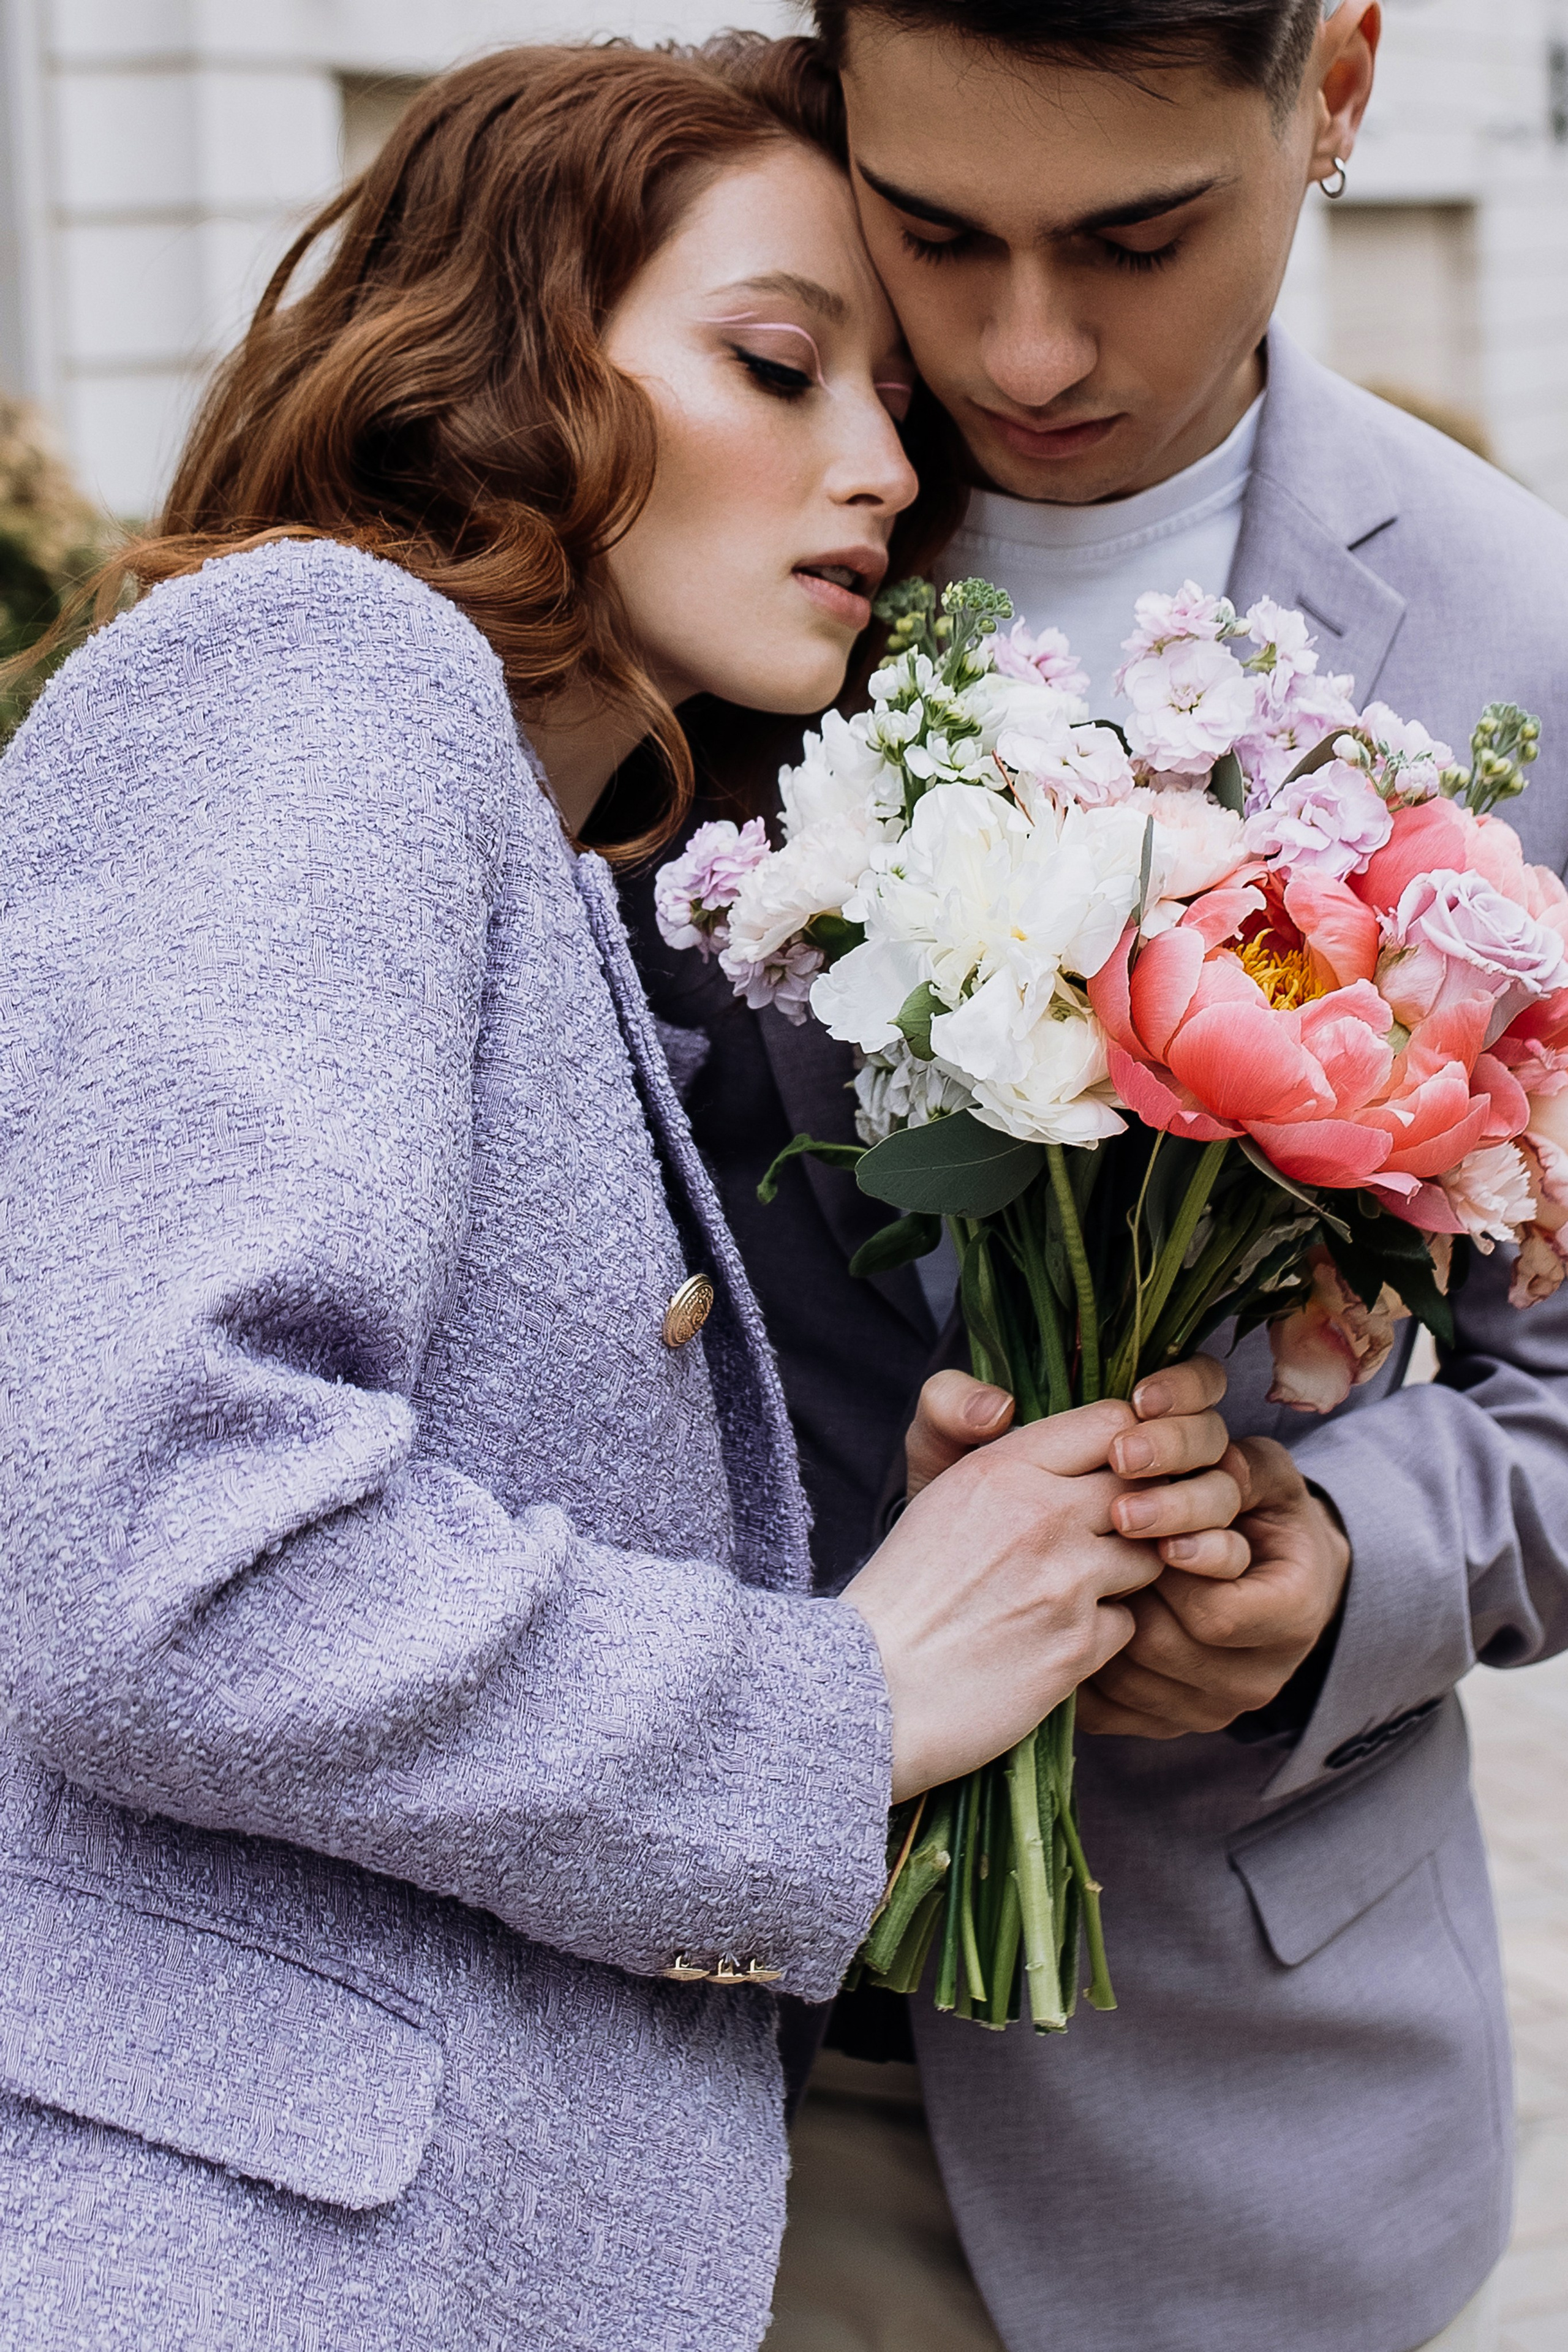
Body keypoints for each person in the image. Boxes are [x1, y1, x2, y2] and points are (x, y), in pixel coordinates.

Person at [0, 44, 1250, 2352]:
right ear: (501, 357)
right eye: (780, 362)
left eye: (900, 405)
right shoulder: (321, 666)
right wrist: (841, 1692)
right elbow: (167, 1543)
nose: (883, 468)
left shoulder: (552, 860)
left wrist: (935, 1548)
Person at [624, 9, 1568, 2351]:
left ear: (1332, 86)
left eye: (1140, 239)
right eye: (936, 231)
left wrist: (1342, 1564)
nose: (1026, 348)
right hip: (660, 2076)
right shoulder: (656, 524)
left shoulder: (1521, 635)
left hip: (1246, 2141)